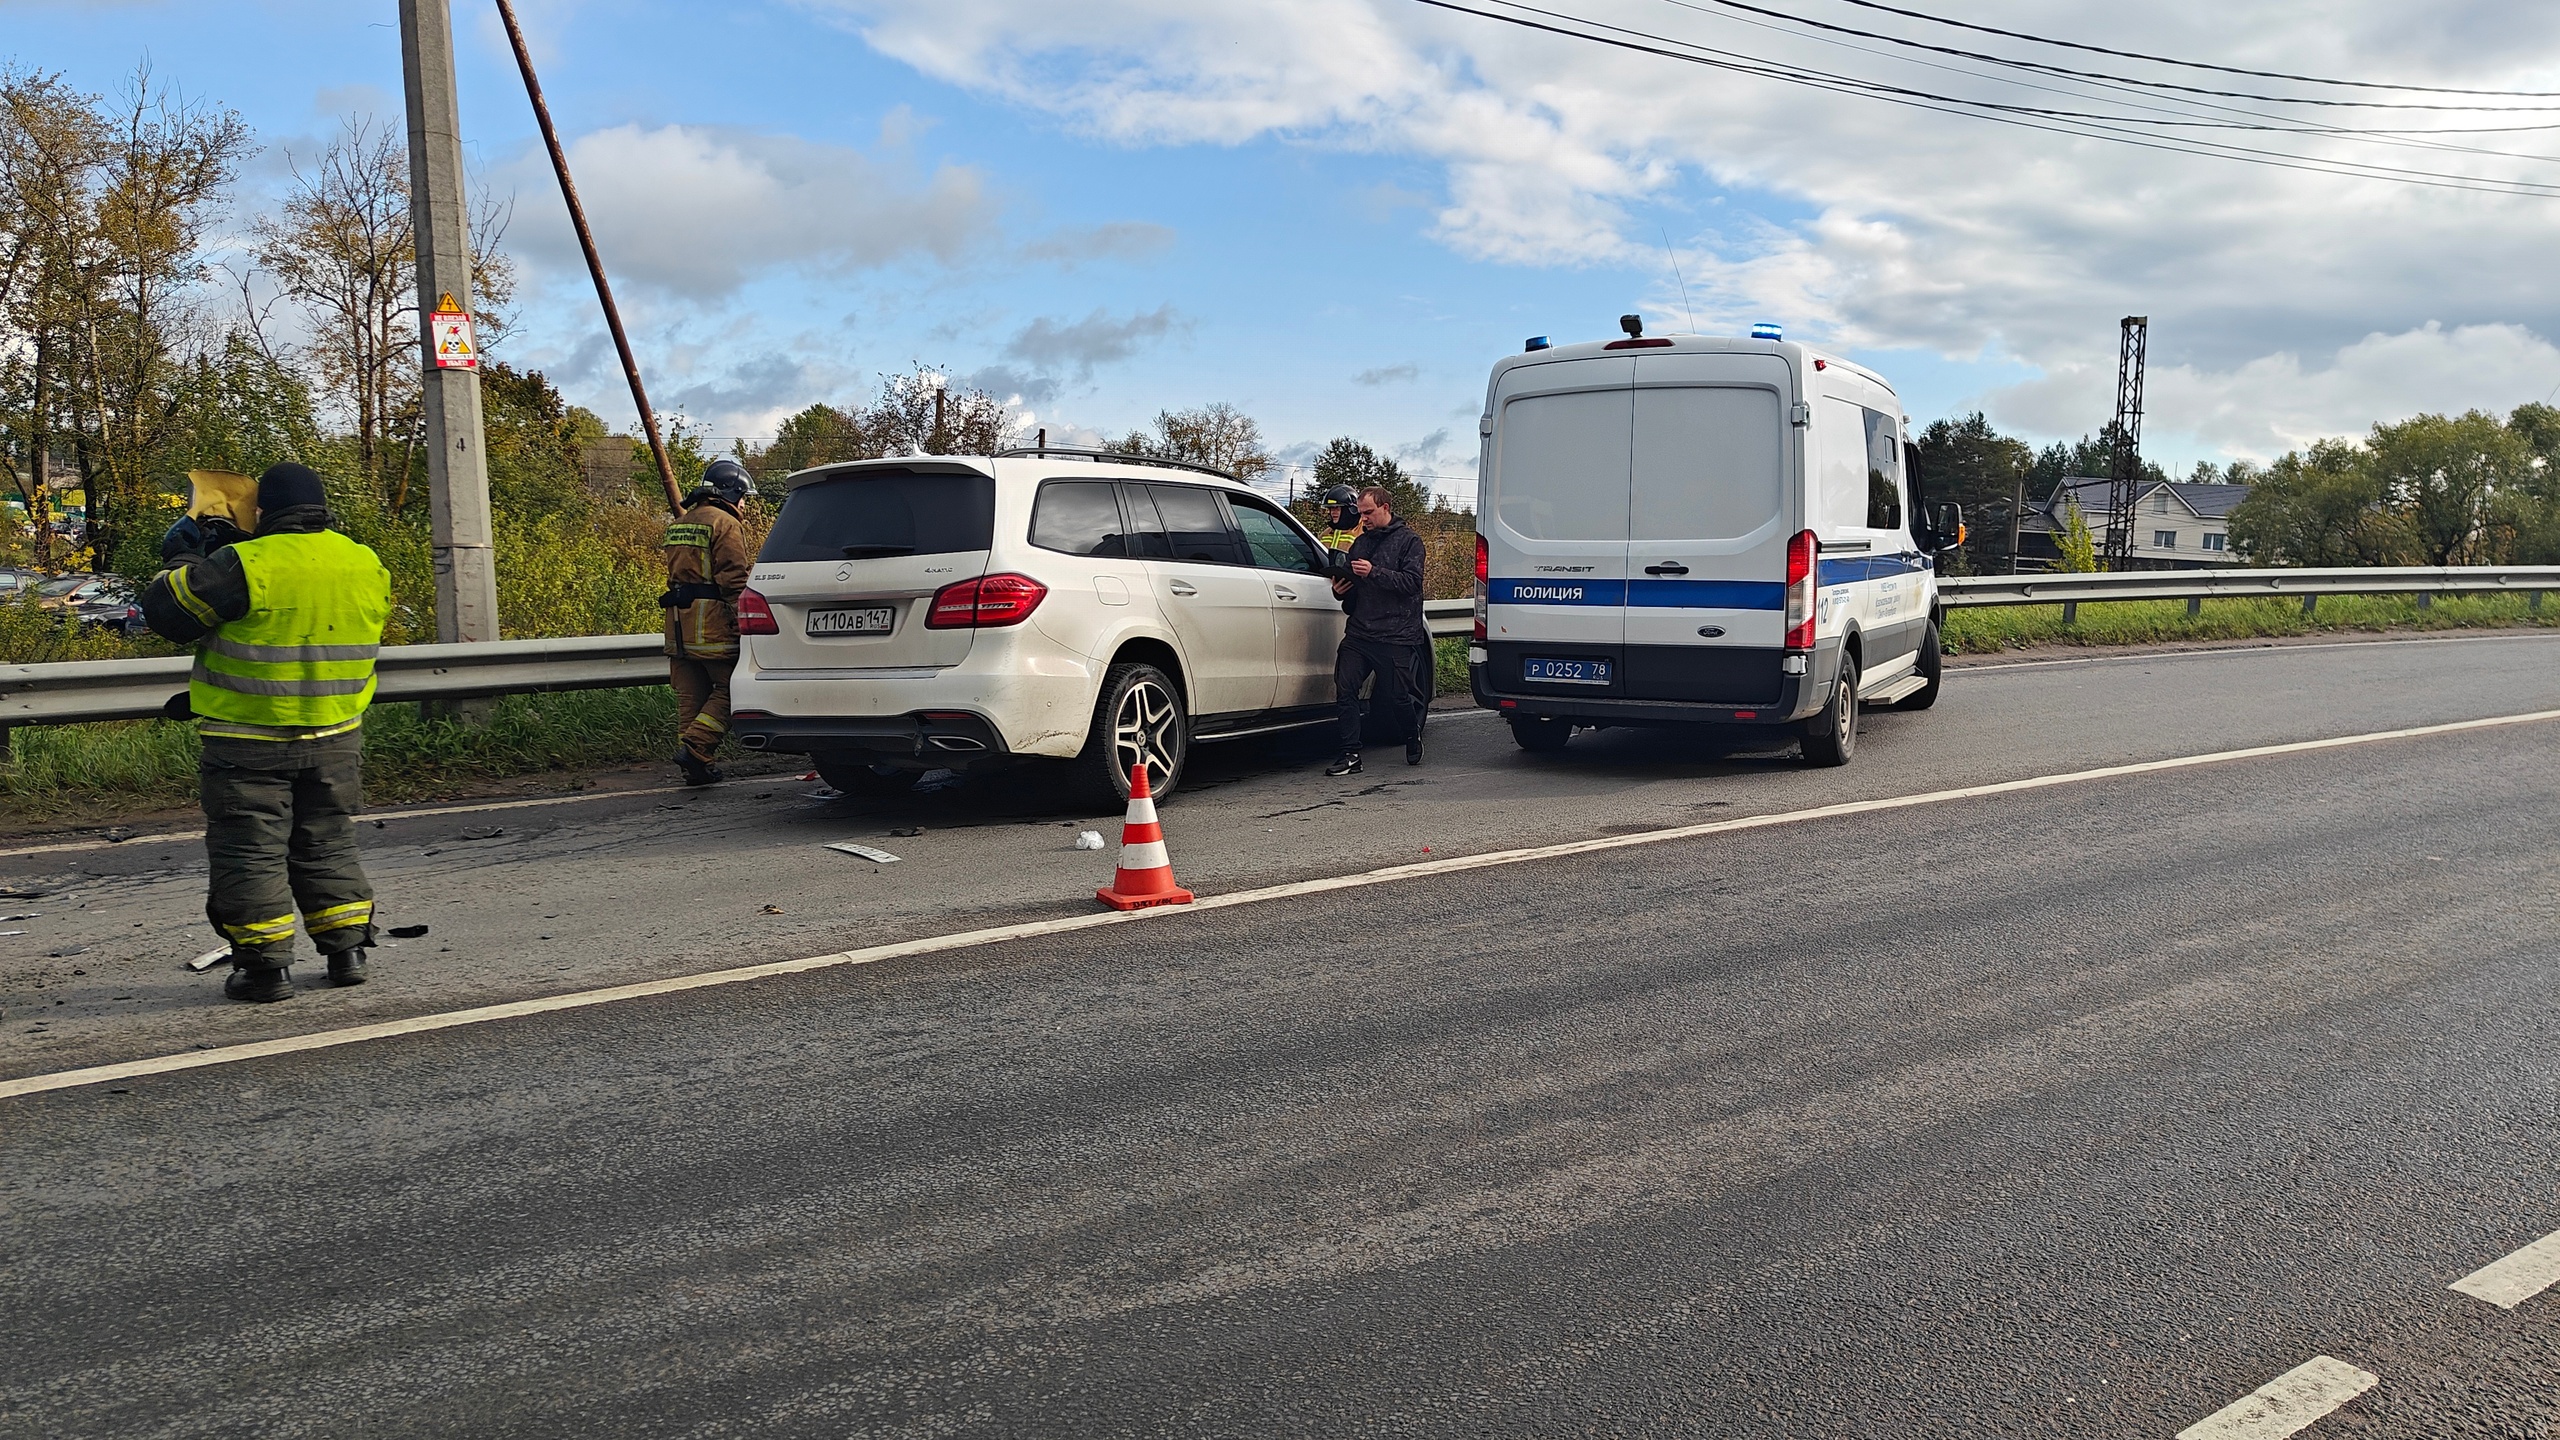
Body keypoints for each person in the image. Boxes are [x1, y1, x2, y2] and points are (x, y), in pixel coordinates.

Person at [141, 462, 393, 1003]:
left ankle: (264, 970)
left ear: (261, 512)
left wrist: (186, 555)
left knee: (250, 851)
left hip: (247, 742)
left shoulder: (244, 563)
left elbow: (168, 613)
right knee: (326, 842)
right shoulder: (363, 560)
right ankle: (347, 953)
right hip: (335, 734)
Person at [661, 458, 758, 785]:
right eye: (743, 496)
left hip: (678, 626)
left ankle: (696, 766)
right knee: (732, 688)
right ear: (731, 492)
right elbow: (733, 580)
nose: (744, 504)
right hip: (712, 626)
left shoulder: (680, 522)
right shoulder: (725, 523)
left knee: (691, 697)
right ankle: (698, 748)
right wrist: (745, 620)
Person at [1326, 484, 1429, 776]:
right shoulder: (1360, 542)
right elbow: (1355, 594)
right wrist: (1340, 589)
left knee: (1398, 697)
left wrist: (1374, 572)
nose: (1364, 519)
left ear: (1385, 508)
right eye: (1360, 514)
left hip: (1396, 634)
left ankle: (1412, 736)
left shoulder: (1410, 542)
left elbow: (1411, 583)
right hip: (1359, 633)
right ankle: (1350, 755)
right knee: (1345, 690)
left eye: (1368, 513)